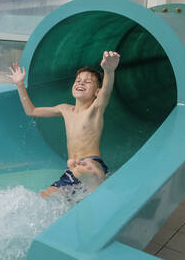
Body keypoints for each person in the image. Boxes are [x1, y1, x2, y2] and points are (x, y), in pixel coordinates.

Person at [8, 51, 120, 198]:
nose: (81, 83)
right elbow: (32, 110)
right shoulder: (65, 109)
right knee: (44, 197)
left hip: (92, 161)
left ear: (96, 92)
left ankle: (94, 181)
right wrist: (20, 85)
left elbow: (106, 91)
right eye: (78, 80)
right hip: (72, 169)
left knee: (91, 168)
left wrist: (109, 71)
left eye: (87, 82)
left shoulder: (95, 109)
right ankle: (85, 181)